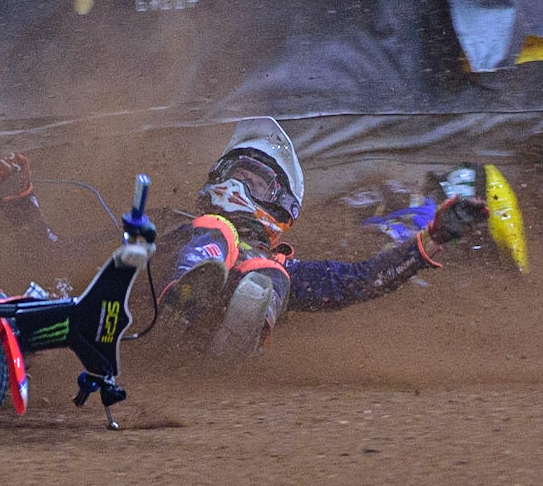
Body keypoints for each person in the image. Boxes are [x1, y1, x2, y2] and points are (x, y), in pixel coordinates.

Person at [159, 117, 491, 358]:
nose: (236, 188)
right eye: (235, 176)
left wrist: (435, 237)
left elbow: (360, 281)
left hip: (211, 347)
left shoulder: (278, 267)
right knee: (219, 230)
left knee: (273, 275)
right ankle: (183, 299)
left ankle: (237, 341)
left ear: (279, 205)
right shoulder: (176, 225)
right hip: (153, 296)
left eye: (254, 183)